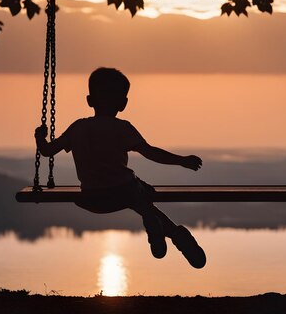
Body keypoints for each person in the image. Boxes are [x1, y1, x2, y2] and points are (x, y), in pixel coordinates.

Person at [34, 67, 206, 268]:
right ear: (123, 104)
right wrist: (181, 160)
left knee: (138, 191)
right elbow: (150, 152)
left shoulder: (78, 128)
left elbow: (46, 151)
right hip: (125, 193)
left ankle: (160, 226)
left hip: (92, 197)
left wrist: (39, 137)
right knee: (141, 197)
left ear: (90, 101)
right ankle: (172, 232)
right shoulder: (123, 128)